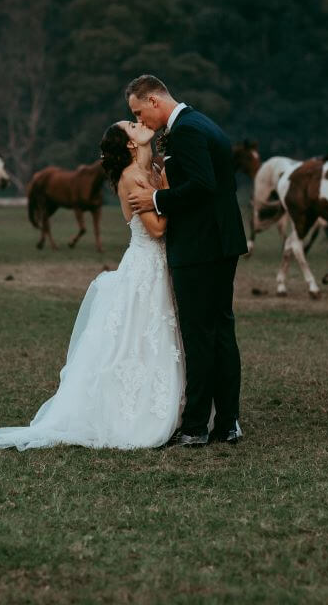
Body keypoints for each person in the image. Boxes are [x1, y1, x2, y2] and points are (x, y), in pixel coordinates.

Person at [0, 119, 184, 450]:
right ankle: (134, 413)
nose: (139, 124)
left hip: (159, 267)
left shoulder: (151, 169)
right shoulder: (133, 178)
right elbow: (157, 229)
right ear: (129, 145)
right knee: (139, 338)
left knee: (158, 337)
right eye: (132, 126)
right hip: (144, 267)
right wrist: (166, 187)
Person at [125, 74, 248, 446]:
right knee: (221, 333)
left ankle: (195, 426)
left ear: (153, 101)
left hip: (200, 248)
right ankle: (227, 422)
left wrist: (157, 201)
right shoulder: (201, 123)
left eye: (138, 112)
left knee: (198, 334)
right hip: (220, 243)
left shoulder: (187, 132)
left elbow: (202, 185)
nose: (140, 121)